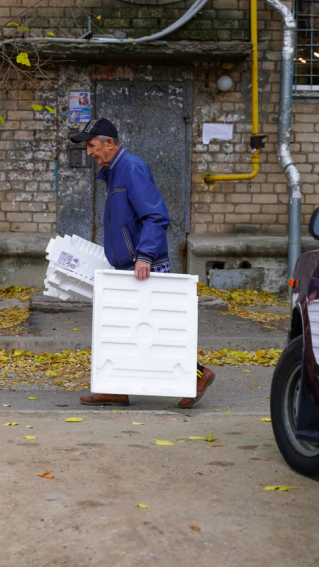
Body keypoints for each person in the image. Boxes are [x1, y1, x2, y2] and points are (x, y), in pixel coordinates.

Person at [70, 117, 216, 408]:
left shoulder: (132, 168)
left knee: (156, 328)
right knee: (121, 328)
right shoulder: (114, 171)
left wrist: (144, 256)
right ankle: (115, 388)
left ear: (109, 143)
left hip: (143, 263)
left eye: (91, 146)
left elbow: (156, 215)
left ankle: (199, 373)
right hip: (130, 262)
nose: (89, 153)